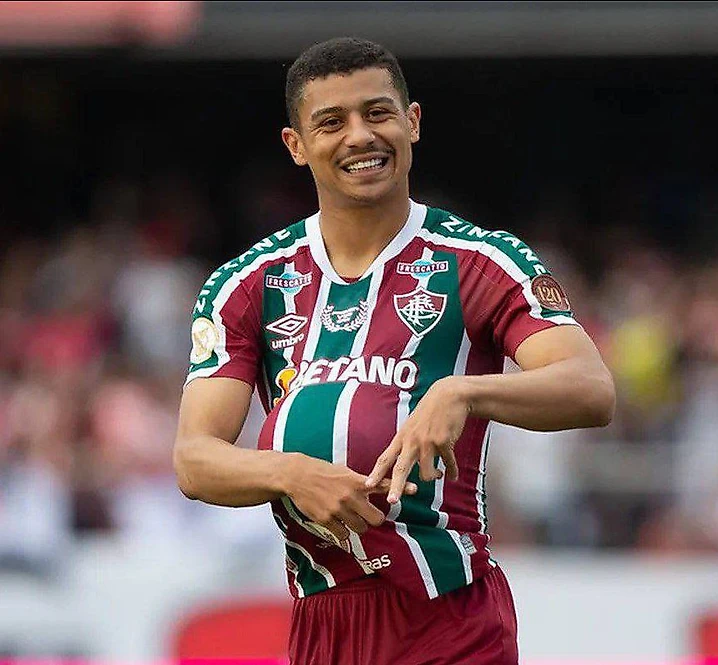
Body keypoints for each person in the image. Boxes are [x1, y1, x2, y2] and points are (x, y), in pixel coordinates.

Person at [174, 37, 615, 665]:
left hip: (450, 617)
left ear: (413, 122)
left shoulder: (481, 260)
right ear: (296, 145)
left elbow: (590, 388)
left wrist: (463, 392)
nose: (360, 136)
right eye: (332, 122)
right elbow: (194, 460)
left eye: (377, 113)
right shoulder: (248, 282)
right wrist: (289, 472)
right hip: (323, 622)